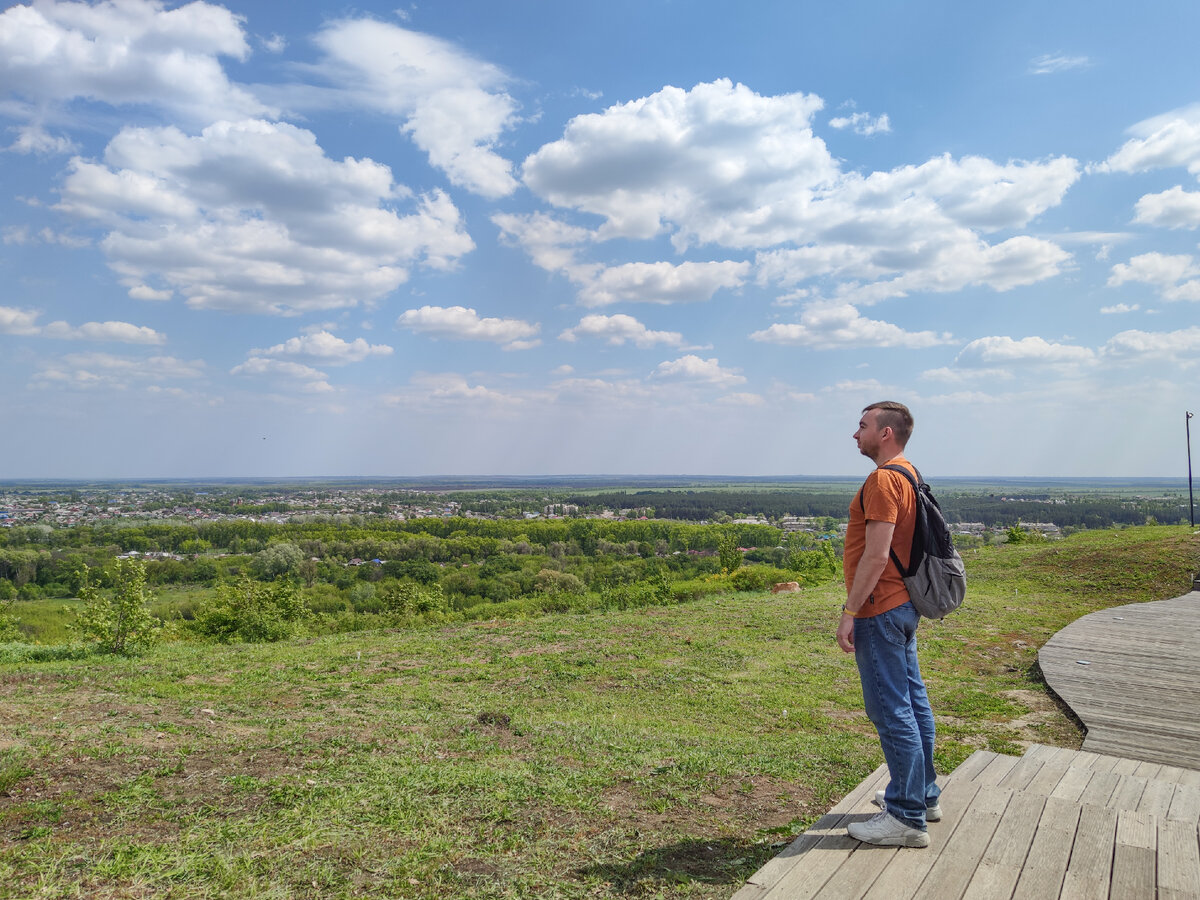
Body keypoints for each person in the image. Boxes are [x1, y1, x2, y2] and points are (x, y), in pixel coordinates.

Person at [837, 401, 940, 849]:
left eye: (862, 426)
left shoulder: (882, 480)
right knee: (914, 703)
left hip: (880, 608)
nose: (854, 433)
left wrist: (850, 610)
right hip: (904, 607)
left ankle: (904, 817)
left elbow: (877, 555)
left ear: (885, 434)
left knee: (890, 708)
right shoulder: (909, 474)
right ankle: (922, 794)